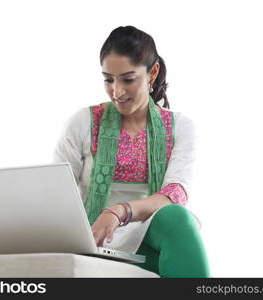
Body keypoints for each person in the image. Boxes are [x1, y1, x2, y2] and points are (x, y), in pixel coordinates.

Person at [53, 25, 210, 278]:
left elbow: (174, 195)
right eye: (108, 79)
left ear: (153, 72)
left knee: (176, 218)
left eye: (128, 79)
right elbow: (56, 192)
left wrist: (118, 211)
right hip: (93, 241)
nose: (117, 92)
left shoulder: (180, 127)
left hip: (148, 237)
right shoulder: (83, 122)